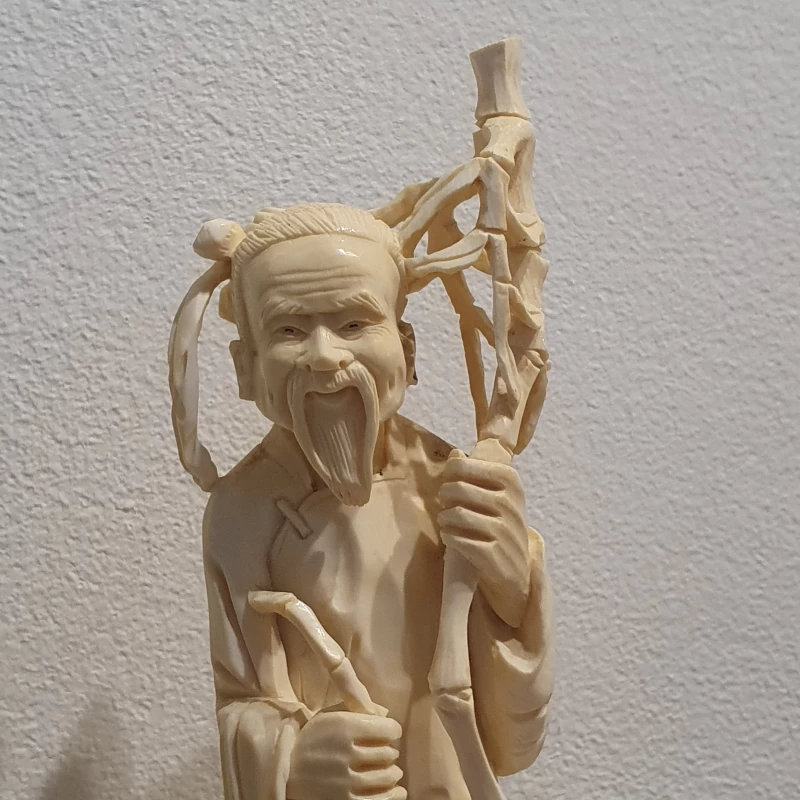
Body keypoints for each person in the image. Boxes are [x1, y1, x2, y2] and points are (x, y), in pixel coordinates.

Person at [178, 203, 553, 800]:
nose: (325, 355)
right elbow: (242, 700)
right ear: (246, 368)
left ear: (406, 349)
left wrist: (513, 598)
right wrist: (294, 760)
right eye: (290, 330)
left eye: (354, 324)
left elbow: (515, 743)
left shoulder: (454, 483)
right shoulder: (241, 513)